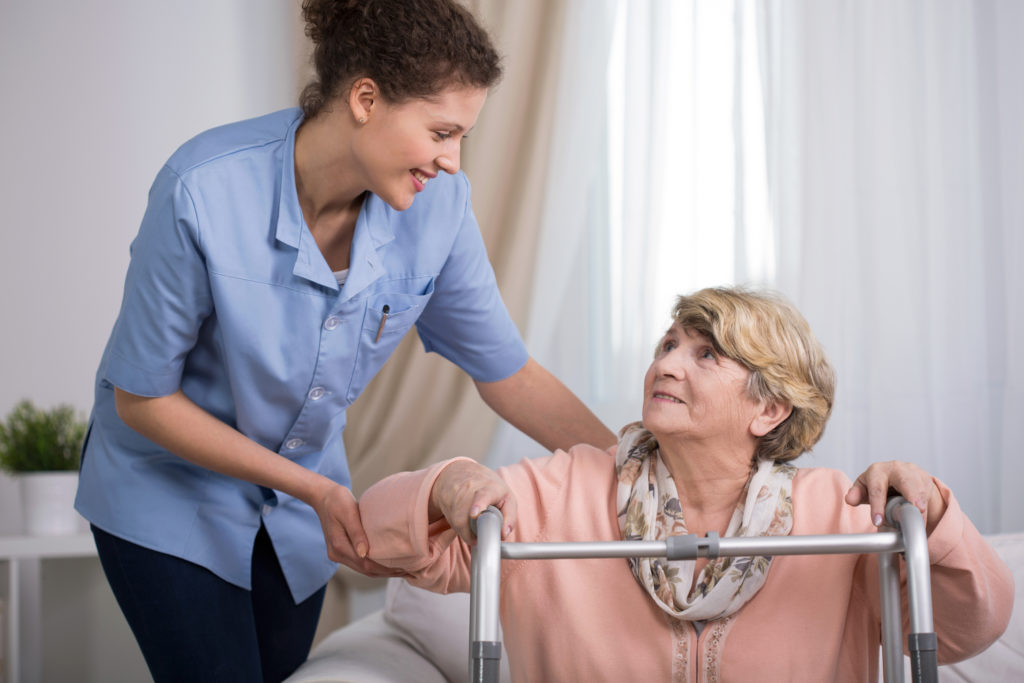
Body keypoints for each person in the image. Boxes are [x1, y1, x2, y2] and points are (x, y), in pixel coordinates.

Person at [74, 1, 615, 681]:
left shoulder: (439, 209)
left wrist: (634, 465)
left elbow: (509, 372)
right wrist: (315, 489)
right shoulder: (202, 191)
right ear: (366, 99)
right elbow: (143, 399)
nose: (451, 161)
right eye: (441, 131)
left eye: (463, 138)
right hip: (168, 493)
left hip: (300, 513)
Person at [358, 286, 1014, 682]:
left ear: (769, 409)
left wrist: (928, 513)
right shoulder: (558, 490)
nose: (666, 363)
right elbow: (379, 540)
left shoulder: (839, 512)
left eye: (705, 353)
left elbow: (970, 625)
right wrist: (448, 482)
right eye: (666, 344)